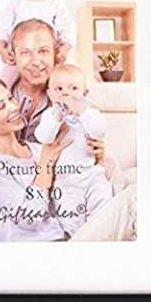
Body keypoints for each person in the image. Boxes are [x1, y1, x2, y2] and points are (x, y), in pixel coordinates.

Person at [0, 74, 135, 242]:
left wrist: (98, 158)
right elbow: (28, 219)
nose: (14, 107)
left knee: (127, 179)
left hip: (72, 236)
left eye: (10, 98)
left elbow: (77, 189)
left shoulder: (37, 149)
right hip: (38, 248)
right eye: (1, 107)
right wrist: (46, 165)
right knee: (134, 197)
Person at [0, 19, 104, 163]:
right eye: (25, 52)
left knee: (109, 163)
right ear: (13, 55)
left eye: (43, 51)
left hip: (45, 172)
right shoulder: (1, 88)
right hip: (2, 168)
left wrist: (97, 154)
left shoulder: (70, 90)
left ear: (55, 54)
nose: (36, 62)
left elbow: (90, 135)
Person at [34, 63, 112, 235]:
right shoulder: (49, 115)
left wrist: (82, 112)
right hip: (65, 178)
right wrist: (56, 117)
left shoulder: (90, 113)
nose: (66, 93)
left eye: (73, 88)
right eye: (59, 89)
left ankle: (102, 234)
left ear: (85, 93)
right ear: (50, 94)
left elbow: (99, 131)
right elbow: (43, 137)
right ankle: (78, 239)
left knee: (103, 206)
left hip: (91, 173)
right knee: (71, 219)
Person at [0, 0, 76, 88]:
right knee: (3, 81)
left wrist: (64, 48)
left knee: (66, 79)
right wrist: (2, 49)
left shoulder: (54, 3)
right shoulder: (15, 4)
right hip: (20, 59)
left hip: (49, 59)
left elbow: (67, 28)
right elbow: (2, 28)